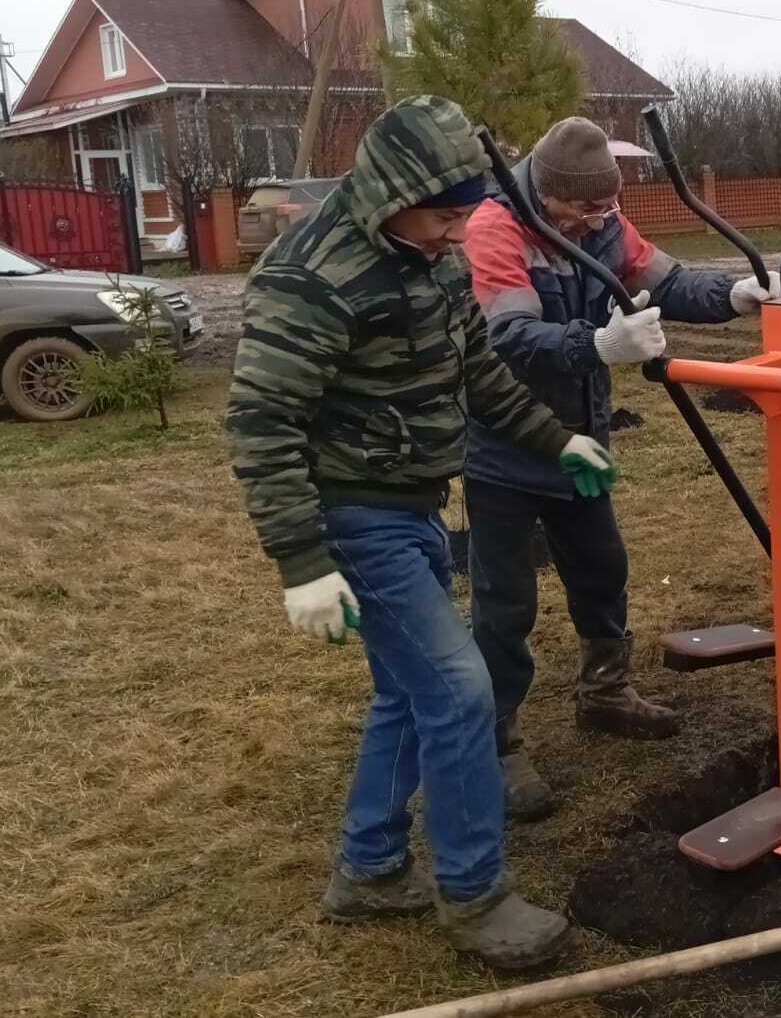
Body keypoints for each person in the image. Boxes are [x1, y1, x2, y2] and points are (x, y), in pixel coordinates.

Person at [225, 96, 618, 970]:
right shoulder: (313, 278)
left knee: (406, 694)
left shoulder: (431, 255)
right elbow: (261, 423)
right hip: (352, 513)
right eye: (445, 214)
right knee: (459, 690)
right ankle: (475, 896)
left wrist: (558, 439)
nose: (457, 232)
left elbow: (476, 366)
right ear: (393, 193)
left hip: (412, 505)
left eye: (464, 213)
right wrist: (303, 565)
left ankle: (369, 869)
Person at [461, 115, 780, 820]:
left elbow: (664, 279)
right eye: (587, 206)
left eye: (608, 204)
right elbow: (508, 336)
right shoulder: (496, 228)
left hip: (584, 441)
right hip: (508, 445)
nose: (601, 218)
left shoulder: (606, 224)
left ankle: (604, 693)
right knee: (505, 602)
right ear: (550, 194)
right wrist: (600, 345)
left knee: (602, 568)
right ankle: (496, 741)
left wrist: (731, 296)